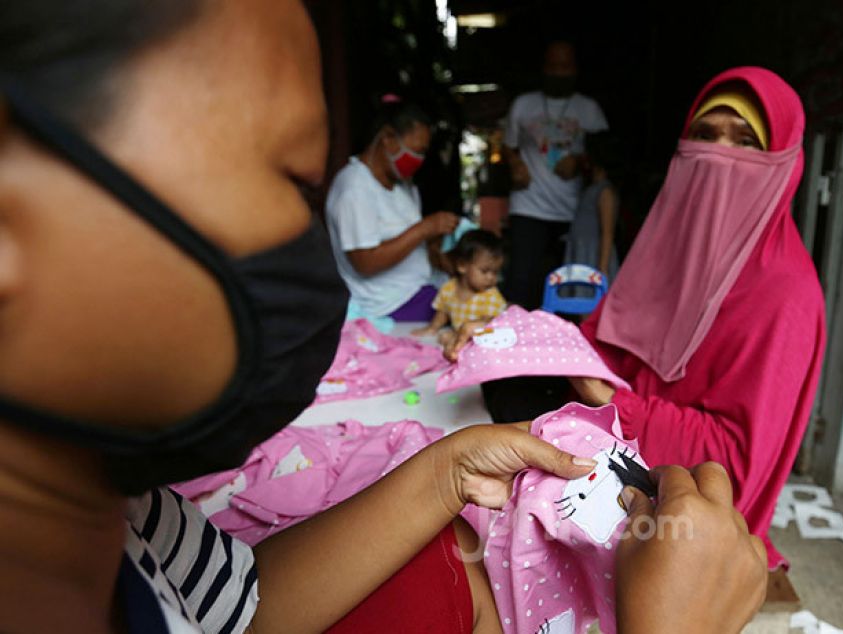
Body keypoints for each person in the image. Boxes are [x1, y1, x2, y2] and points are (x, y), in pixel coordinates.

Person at [0, 2, 769, 633]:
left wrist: (443, 472)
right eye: (292, 180)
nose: (309, 248)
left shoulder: (132, 532)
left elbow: (242, 612)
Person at [448, 67, 825, 573]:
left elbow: (732, 464)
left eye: (746, 142)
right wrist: (508, 334)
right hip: (614, 448)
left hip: (675, 501)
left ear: (783, 164)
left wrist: (612, 402)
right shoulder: (668, 254)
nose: (718, 157)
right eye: (704, 135)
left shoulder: (784, 296)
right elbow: (592, 343)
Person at [325, 95, 460, 322]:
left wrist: (436, 249)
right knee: (473, 313)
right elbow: (365, 263)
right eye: (415, 150)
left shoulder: (404, 185)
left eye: (423, 153)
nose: (419, 160)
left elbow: (411, 244)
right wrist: (425, 228)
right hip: (387, 304)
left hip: (419, 288)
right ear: (388, 138)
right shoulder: (354, 188)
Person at [502, 41, 609, 309]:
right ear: (543, 68)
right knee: (521, 280)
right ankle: (513, 341)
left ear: (575, 69)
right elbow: (508, 146)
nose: (559, 72)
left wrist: (580, 160)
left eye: (565, 66)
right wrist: (515, 163)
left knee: (570, 285)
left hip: (573, 210)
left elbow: (606, 155)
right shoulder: (523, 104)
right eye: (553, 66)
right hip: (528, 207)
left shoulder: (589, 109)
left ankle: (564, 342)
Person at [412, 230, 507, 347]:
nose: (491, 278)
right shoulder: (449, 288)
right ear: (462, 266)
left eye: (495, 272)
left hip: (480, 341)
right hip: (457, 336)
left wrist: (457, 336)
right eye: (485, 271)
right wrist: (432, 328)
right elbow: (443, 312)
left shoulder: (492, 296)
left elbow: (491, 327)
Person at [564, 132, 621, 281]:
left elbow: (607, 233)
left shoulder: (605, 191)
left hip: (593, 257)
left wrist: (602, 270)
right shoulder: (590, 188)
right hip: (581, 254)